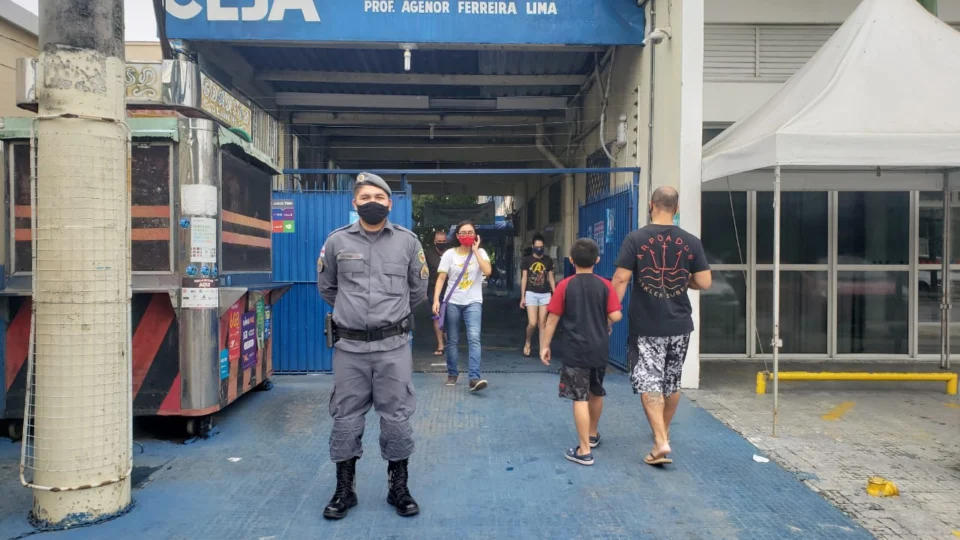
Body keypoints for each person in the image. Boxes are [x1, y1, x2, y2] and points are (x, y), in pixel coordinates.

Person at [316, 172, 427, 520]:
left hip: (393, 347)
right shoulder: (336, 242)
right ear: (354, 203)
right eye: (365, 198)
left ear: (390, 203)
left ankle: (399, 487)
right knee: (345, 419)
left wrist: (388, 317)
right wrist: (354, 316)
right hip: (349, 349)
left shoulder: (408, 242)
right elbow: (327, 287)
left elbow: (418, 291)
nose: (372, 203)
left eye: (379, 197)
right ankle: (344, 490)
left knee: (396, 418)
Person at [612, 186, 712, 467]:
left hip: (647, 325)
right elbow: (704, 282)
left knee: (649, 381)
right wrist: (683, 280)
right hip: (680, 324)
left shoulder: (636, 239)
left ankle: (660, 441)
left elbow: (621, 278)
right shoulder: (691, 242)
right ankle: (663, 432)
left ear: (651, 204)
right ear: (676, 208)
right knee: (671, 381)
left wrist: (610, 313)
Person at [540, 239, 622, 466]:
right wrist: (604, 318)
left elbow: (553, 318)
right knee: (596, 392)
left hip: (575, 350)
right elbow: (616, 316)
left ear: (572, 260)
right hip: (599, 349)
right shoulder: (605, 285)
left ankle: (584, 450)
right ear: (597, 260)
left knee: (579, 397)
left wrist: (545, 345)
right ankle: (593, 435)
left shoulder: (565, 286)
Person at [432, 221, 492, 392]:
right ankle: (452, 373)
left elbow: (487, 271)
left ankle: (474, 378)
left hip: (473, 301)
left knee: (474, 338)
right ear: (457, 236)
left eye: (470, 232)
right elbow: (441, 279)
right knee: (452, 340)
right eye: (463, 232)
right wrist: (437, 300)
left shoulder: (481, 253)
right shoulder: (450, 254)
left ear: (476, 235)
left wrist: (475, 252)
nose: (467, 235)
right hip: (453, 302)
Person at [520, 233, 556, 357]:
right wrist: (522, 297)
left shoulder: (548, 260)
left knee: (542, 323)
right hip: (531, 293)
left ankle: (542, 349)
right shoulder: (527, 260)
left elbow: (551, 278)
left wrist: (555, 294)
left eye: (541, 247)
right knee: (533, 323)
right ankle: (528, 341)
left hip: (545, 294)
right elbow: (524, 278)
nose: (539, 249)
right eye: (537, 246)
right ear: (532, 246)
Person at [424, 229, 450, 356]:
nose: (441, 243)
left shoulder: (452, 253)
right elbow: (423, 274)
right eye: (439, 241)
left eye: (444, 241)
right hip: (434, 290)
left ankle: (450, 342)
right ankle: (440, 344)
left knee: (450, 317)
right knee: (437, 317)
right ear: (434, 242)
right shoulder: (428, 254)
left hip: (451, 291)